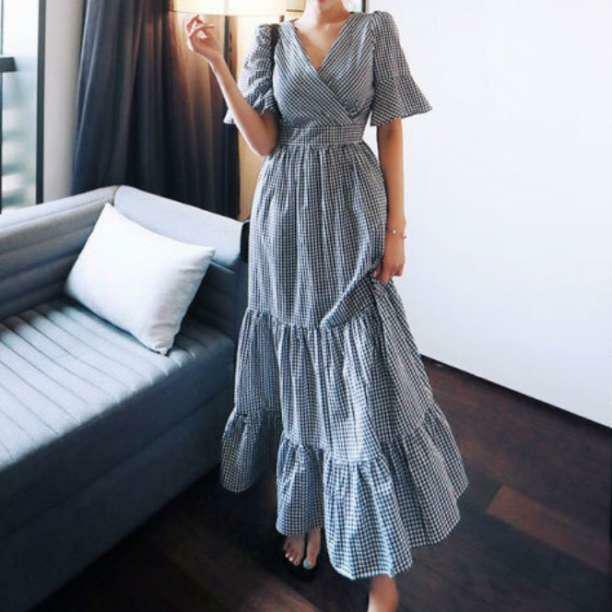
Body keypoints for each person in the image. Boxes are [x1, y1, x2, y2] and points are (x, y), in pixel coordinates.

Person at [185, 2, 469, 610]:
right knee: (295, 368)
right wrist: (216, 65)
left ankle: (382, 571)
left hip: (351, 212)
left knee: (362, 375)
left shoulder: (374, 30)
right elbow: (265, 141)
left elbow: (390, 130)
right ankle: (306, 512)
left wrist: (396, 230)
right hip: (284, 218)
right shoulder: (270, 39)